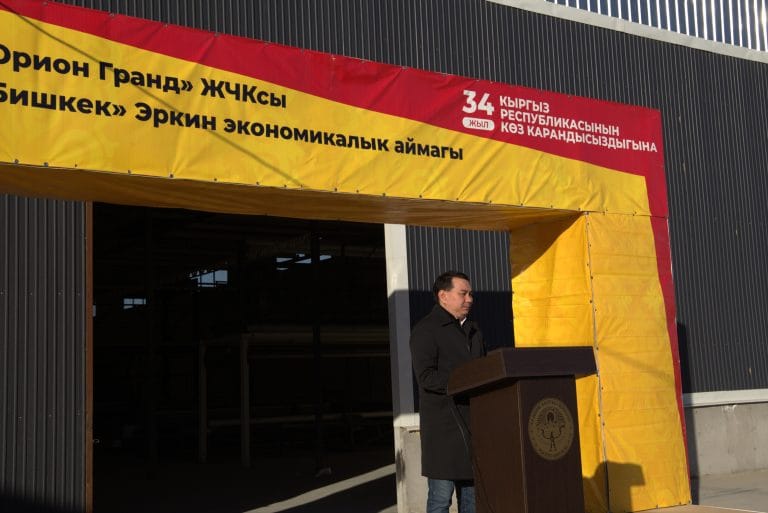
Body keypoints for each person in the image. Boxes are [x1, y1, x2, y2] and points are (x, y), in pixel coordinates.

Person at [410, 271, 486, 513]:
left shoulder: (474, 330)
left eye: (470, 294)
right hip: (443, 429)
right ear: (443, 296)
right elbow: (426, 377)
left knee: (472, 501)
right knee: (441, 500)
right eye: (463, 293)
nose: (470, 299)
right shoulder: (426, 330)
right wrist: (464, 382)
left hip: (473, 425)